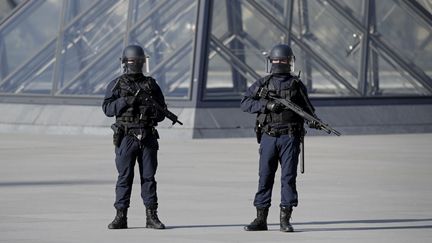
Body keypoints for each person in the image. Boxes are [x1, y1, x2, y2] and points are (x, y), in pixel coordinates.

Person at [240, 44, 319, 232]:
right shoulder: (263, 84)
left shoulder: (296, 85)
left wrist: (314, 121)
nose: (283, 63)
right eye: (283, 60)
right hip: (269, 136)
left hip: (290, 137)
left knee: (288, 178)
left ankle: (285, 219)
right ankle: (261, 219)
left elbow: (308, 110)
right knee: (265, 177)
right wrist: (267, 106)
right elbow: (245, 102)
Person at [102, 44, 166, 230]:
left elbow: (162, 113)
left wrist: (150, 110)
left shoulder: (151, 85)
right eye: (133, 61)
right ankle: (120, 216)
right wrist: (126, 101)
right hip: (126, 136)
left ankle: (151, 216)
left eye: (138, 62)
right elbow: (107, 109)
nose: (135, 65)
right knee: (124, 177)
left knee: (149, 177)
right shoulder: (116, 84)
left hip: (147, 135)